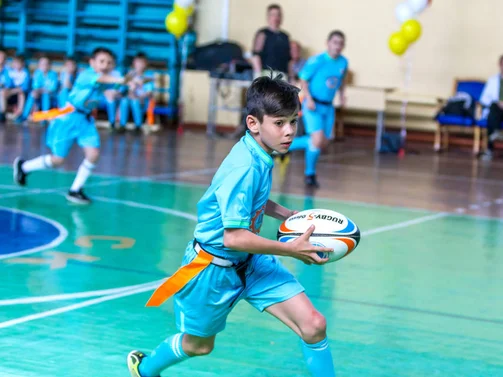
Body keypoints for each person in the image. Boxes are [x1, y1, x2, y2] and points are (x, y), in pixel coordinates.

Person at [126, 74, 336, 377]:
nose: (289, 131)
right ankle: (144, 369)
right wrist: (290, 249)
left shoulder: (260, 153)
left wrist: (287, 214)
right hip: (212, 270)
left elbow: (252, 202)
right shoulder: (244, 167)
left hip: (251, 263)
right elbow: (234, 237)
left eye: (293, 122)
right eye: (279, 123)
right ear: (254, 123)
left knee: (314, 325)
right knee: (199, 346)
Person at [13, 47, 136, 204]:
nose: (105, 65)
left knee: (93, 154)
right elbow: (104, 80)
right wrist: (120, 80)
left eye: (109, 62)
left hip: (85, 120)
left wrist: (133, 83)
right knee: (58, 160)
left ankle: (75, 190)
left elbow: (116, 86)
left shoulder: (109, 78)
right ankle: (24, 167)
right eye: (102, 61)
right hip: (68, 119)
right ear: (92, 62)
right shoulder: (87, 75)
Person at [287, 30, 348, 188]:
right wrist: (309, 97)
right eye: (335, 42)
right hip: (313, 104)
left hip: (328, 107)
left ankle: (291, 149)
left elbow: (341, 80)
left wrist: (342, 95)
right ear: (328, 43)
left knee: (322, 142)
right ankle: (307, 172)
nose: (337, 46)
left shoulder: (343, 62)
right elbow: (303, 79)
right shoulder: (317, 61)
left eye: (340, 43)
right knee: (317, 139)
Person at [251, 4, 292, 79]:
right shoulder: (262, 34)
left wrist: (291, 76)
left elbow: (289, 59)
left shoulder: (285, 36)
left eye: (278, 15)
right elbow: (255, 55)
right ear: (268, 17)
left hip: (282, 75)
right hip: (266, 74)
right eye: (273, 15)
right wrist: (258, 75)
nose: (276, 17)